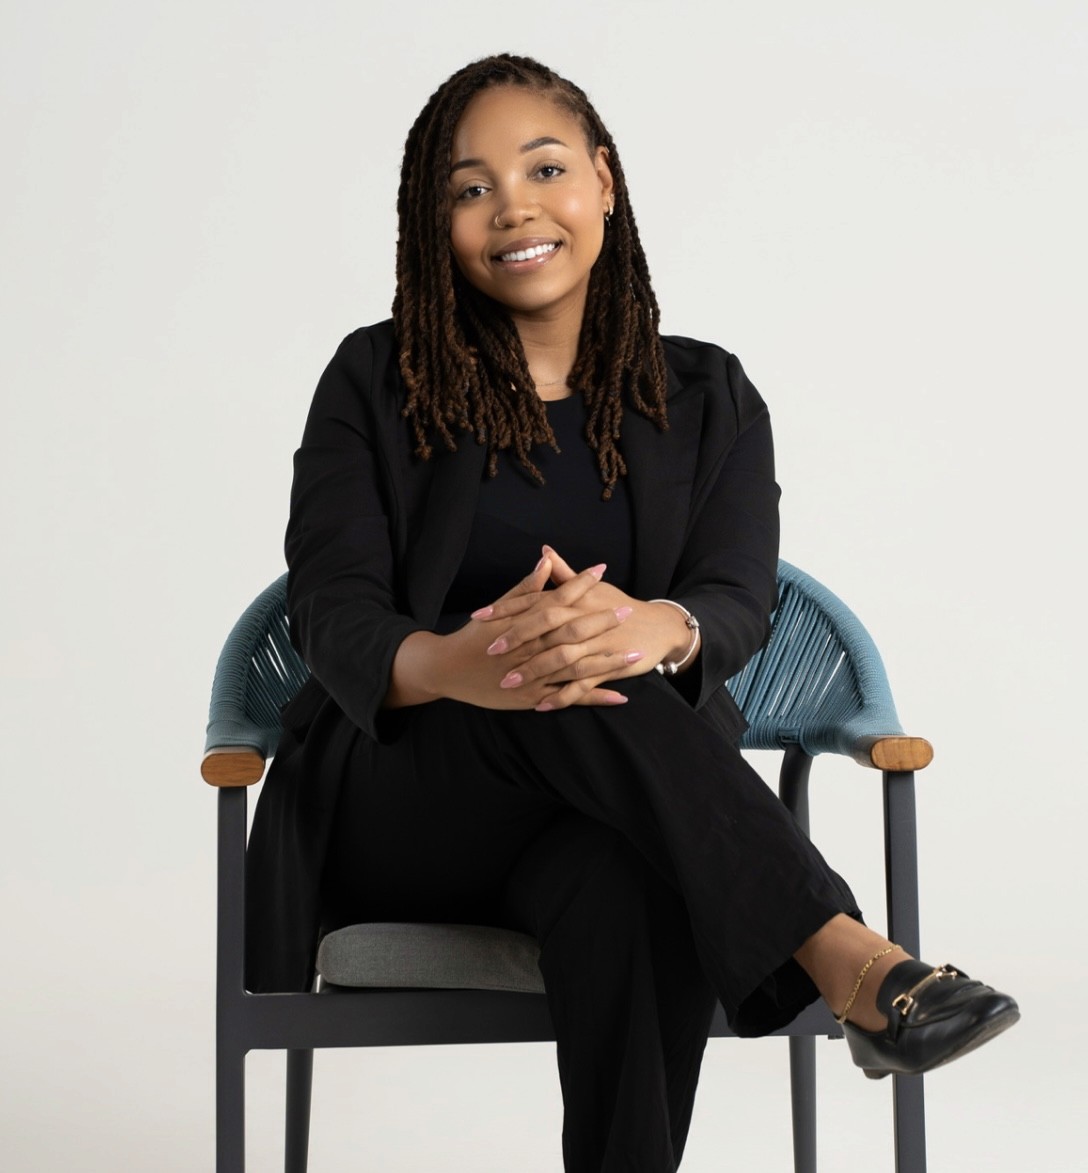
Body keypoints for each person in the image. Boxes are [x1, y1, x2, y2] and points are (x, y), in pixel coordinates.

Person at [245, 53, 1019, 1172]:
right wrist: (460, 662)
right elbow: (331, 609)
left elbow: (735, 595)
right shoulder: (374, 381)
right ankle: (849, 957)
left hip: (612, 812)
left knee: (626, 881)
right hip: (410, 799)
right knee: (555, 672)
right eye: (470, 188)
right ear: (434, 224)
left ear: (602, 181)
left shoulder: (709, 396)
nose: (513, 207)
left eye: (544, 168)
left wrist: (659, 626)